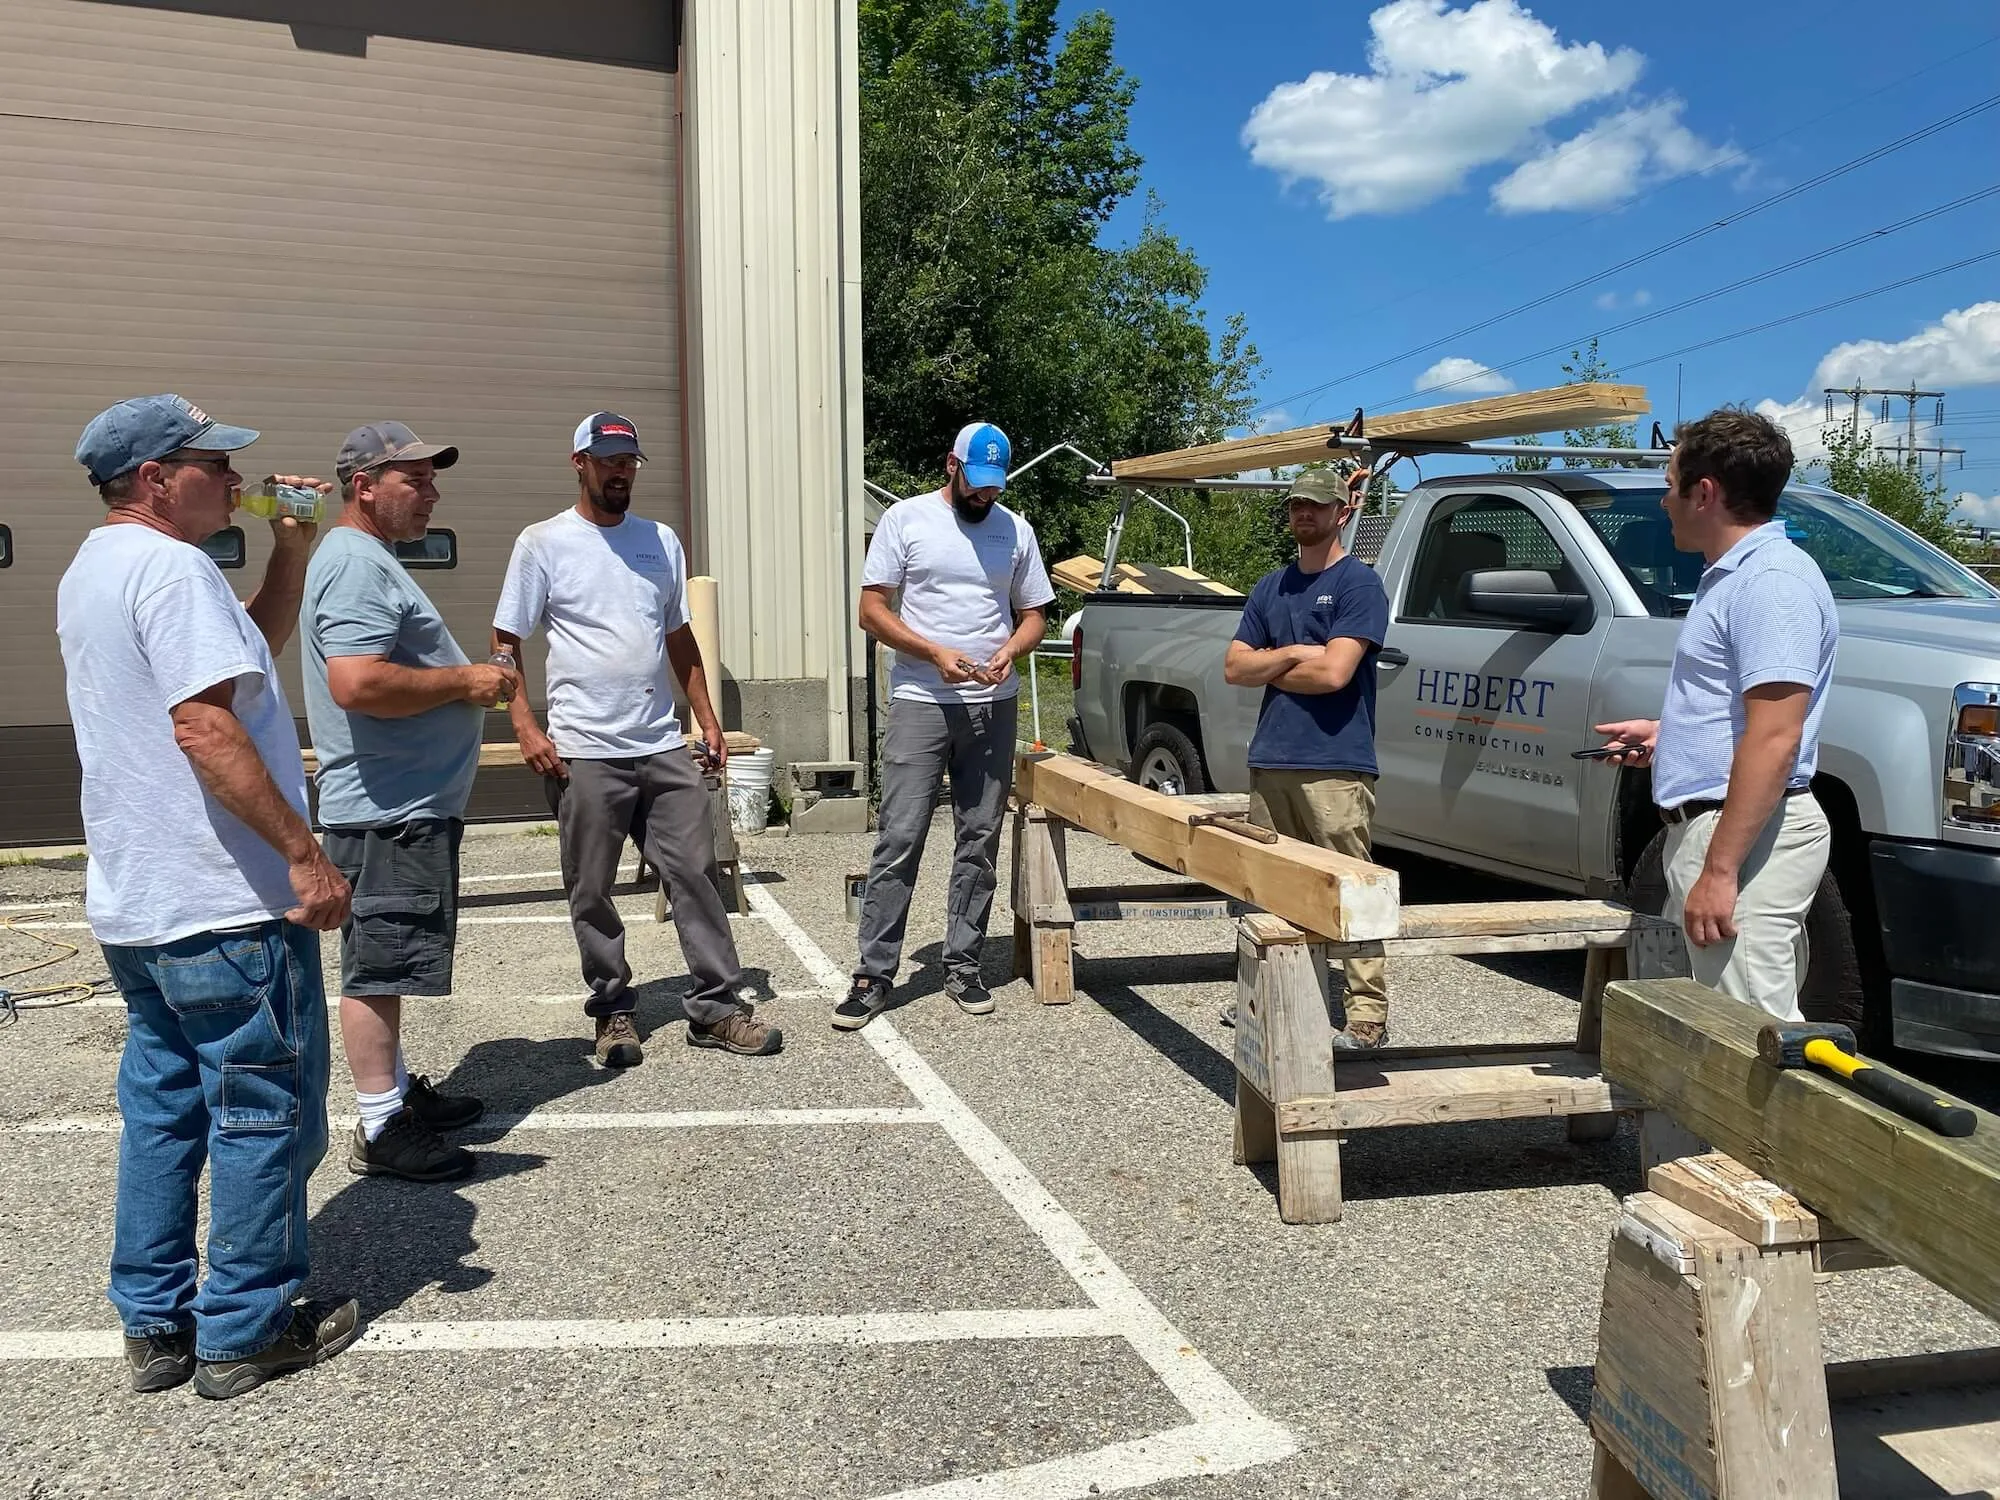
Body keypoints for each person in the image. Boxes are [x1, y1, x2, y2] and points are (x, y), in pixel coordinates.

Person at [58, 394, 359, 1399]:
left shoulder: (96, 569)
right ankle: (245, 1329)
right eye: (213, 464)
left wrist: (291, 551)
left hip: (141, 906)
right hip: (223, 900)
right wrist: (303, 855)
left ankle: (155, 1326)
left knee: (165, 1113)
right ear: (155, 479)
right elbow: (207, 730)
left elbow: (239, 669)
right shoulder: (174, 569)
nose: (235, 479)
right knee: (262, 1111)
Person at [492, 413, 782, 1067]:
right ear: (580, 463)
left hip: (659, 744)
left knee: (695, 874)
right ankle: (614, 1012)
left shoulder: (660, 542)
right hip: (584, 749)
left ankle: (715, 1007)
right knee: (591, 888)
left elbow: (678, 636)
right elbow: (505, 642)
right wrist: (524, 726)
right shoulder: (543, 544)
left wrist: (705, 717)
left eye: (628, 461)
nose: (620, 470)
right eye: (607, 460)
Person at [301, 422, 508, 1184]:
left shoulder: (364, 559)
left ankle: (394, 1094)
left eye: (431, 479)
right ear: (365, 486)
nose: (431, 493)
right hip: (388, 807)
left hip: (398, 801)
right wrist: (467, 682)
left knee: (388, 959)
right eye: (414, 480)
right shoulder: (356, 566)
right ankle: (382, 1126)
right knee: (378, 965)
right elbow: (357, 683)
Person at [1594, 407, 1837, 1020]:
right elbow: (1745, 717)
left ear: (1705, 493)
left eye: (1669, 487)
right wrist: (1671, 738)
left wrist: (1721, 870)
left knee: (1752, 1043)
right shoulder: (1732, 579)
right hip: (1722, 827)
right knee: (1704, 1035)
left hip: (1744, 836)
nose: (1663, 503)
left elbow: (1778, 736)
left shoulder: (1770, 585)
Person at [834, 421, 1055, 1030]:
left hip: (992, 700)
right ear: (951, 466)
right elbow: (871, 610)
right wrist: (933, 653)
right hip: (921, 698)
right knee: (900, 837)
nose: (985, 496)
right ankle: (873, 973)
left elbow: (1034, 613)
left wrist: (1013, 649)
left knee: (979, 837)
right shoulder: (906, 521)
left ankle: (962, 963)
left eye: (995, 486)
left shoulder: (1016, 530)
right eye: (976, 483)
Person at [1222, 467, 1390, 1049]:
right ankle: (1271, 992)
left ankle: (1366, 1013)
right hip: (1272, 758)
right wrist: (1295, 651)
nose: (1304, 514)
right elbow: (1233, 669)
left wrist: (1271, 660)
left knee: (1350, 889)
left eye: (1317, 505)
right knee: (1269, 887)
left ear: (1342, 512)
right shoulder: (1270, 587)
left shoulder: (1358, 585)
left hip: (1336, 764)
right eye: (1296, 504)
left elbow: (1336, 673)